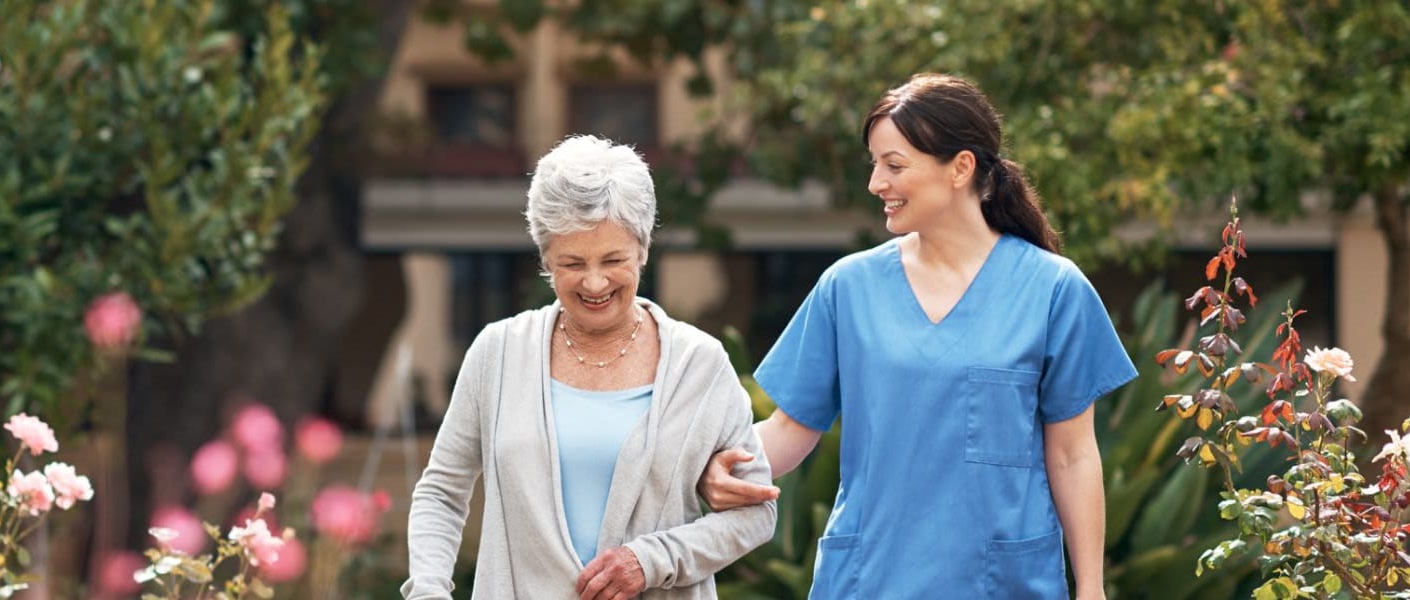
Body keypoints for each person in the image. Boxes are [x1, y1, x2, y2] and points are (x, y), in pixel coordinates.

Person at [697, 73, 1137, 599]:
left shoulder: (1053, 290)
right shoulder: (849, 287)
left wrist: (1090, 588)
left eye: (894, 165)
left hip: (1002, 584)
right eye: (875, 164)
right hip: (871, 580)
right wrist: (717, 466)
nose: (876, 183)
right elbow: (790, 429)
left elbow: (1071, 455)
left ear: (961, 168)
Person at [404, 135, 777, 600]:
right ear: (546, 260)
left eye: (614, 259)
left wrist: (650, 561)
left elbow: (756, 513)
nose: (595, 281)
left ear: (642, 250)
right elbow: (441, 492)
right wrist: (428, 592)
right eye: (573, 263)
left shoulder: (699, 365)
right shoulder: (498, 354)